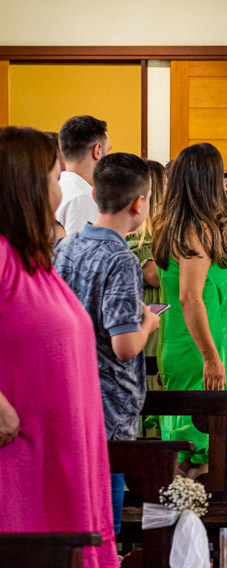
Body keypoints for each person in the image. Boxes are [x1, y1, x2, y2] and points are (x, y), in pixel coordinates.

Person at [0, 126, 120, 568]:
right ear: (25, 186)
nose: (61, 188)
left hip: (57, 456)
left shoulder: (32, 258)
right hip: (20, 464)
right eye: (54, 178)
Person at [54, 152, 160, 534]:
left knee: (77, 501)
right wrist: (148, 322)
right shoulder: (120, 257)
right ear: (139, 202)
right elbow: (125, 345)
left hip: (70, 388)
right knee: (106, 501)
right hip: (109, 402)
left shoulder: (68, 245)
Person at [152, 142, 227, 472]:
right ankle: (188, 519)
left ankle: (192, 517)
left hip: (207, 341)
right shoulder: (193, 230)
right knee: (195, 448)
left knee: (202, 447)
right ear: (207, 181)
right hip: (201, 347)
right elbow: (189, 297)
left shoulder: (184, 223)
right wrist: (211, 356)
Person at [126, 159, 166, 358]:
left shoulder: (162, 228)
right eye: (166, 183)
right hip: (148, 308)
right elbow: (155, 277)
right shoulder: (139, 232)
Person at [55, 115, 111, 236]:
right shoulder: (82, 199)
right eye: (108, 152)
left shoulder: (57, 190)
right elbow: (82, 253)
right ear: (97, 151)